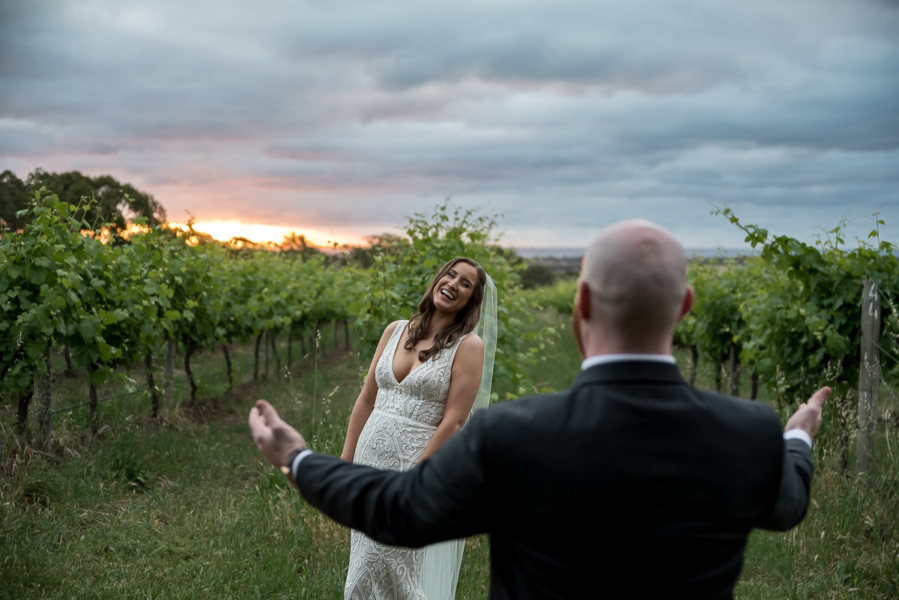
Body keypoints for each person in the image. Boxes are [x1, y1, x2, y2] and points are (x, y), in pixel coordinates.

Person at [250, 220, 828, 599]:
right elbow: (789, 504)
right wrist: (798, 437)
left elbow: (400, 511)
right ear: (685, 306)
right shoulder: (749, 432)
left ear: (581, 303)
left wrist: (297, 458)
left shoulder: (512, 433)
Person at [338, 257, 497, 600]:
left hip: (412, 467)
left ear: (470, 300)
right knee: (366, 567)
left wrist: (418, 475)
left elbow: (454, 420)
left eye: (465, 284)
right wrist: (345, 460)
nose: (453, 284)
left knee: (392, 574)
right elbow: (366, 399)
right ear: (437, 279)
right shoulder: (395, 330)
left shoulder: (468, 346)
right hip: (368, 461)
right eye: (450, 275)